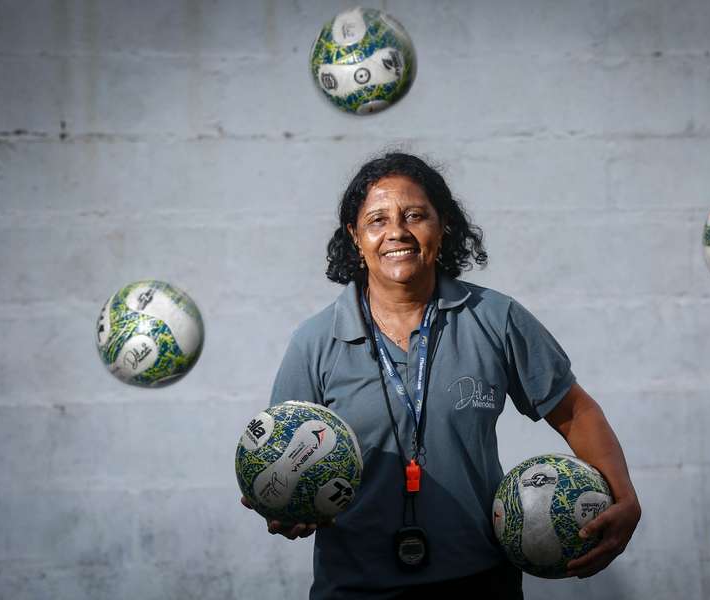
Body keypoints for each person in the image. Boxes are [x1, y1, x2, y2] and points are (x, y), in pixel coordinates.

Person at [241, 152, 641, 599]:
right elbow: (278, 454)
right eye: (377, 220)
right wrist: (279, 504)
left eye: (415, 215)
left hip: (480, 582)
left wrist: (624, 497)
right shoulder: (315, 342)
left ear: (443, 224)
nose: (397, 231)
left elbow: (576, 412)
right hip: (355, 587)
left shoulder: (496, 318)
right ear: (355, 237)